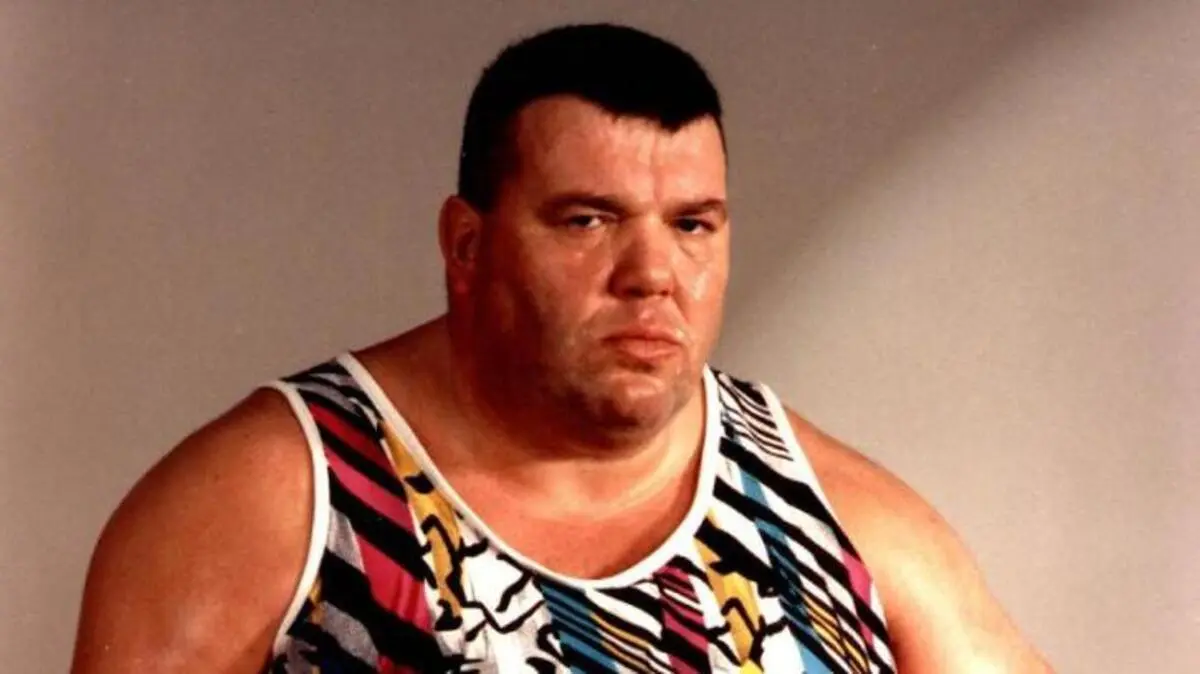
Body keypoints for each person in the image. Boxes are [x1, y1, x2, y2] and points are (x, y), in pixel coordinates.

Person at [71, 23, 1052, 673]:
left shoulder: (834, 517)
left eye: (693, 224)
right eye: (588, 220)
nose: (652, 273)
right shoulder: (277, 500)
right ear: (467, 245)